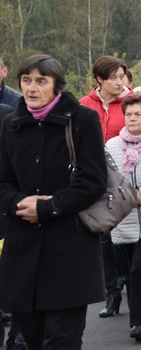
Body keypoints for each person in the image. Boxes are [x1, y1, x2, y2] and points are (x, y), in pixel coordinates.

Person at [0, 54, 107, 349]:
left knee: (62, 340)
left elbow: (94, 181)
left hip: (69, 251)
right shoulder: (11, 123)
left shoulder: (82, 119)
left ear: (56, 85)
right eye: (26, 80)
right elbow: (4, 182)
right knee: (31, 340)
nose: (31, 88)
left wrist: (47, 207)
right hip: (22, 253)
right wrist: (16, 203)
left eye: (40, 81)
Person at [78, 55, 132, 319]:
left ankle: (134, 288)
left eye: (122, 76)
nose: (119, 82)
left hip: (126, 178)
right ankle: (112, 292)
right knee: (103, 239)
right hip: (95, 180)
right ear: (100, 79)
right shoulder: (83, 105)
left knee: (125, 239)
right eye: (113, 77)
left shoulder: (132, 103)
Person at [106, 93, 141, 342]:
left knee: (140, 267)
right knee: (134, 273)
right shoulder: (110, 146)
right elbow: (105, 182)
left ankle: (137, 322)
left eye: (138, 114)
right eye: (128, 114)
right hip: (123, 221)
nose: (132, 118)